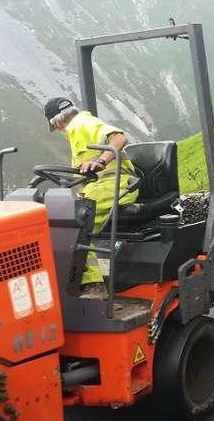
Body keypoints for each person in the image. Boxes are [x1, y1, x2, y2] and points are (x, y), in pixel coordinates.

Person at [44, 97, 139, 298]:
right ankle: (85, 279)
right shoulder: (77, 131)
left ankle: (94, 286)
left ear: (57, 122)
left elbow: (119, 138)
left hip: (117, 184)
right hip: (101, 186)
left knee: (76, 221)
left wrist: (100, 161)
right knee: (68, 213)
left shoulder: (81, 123)